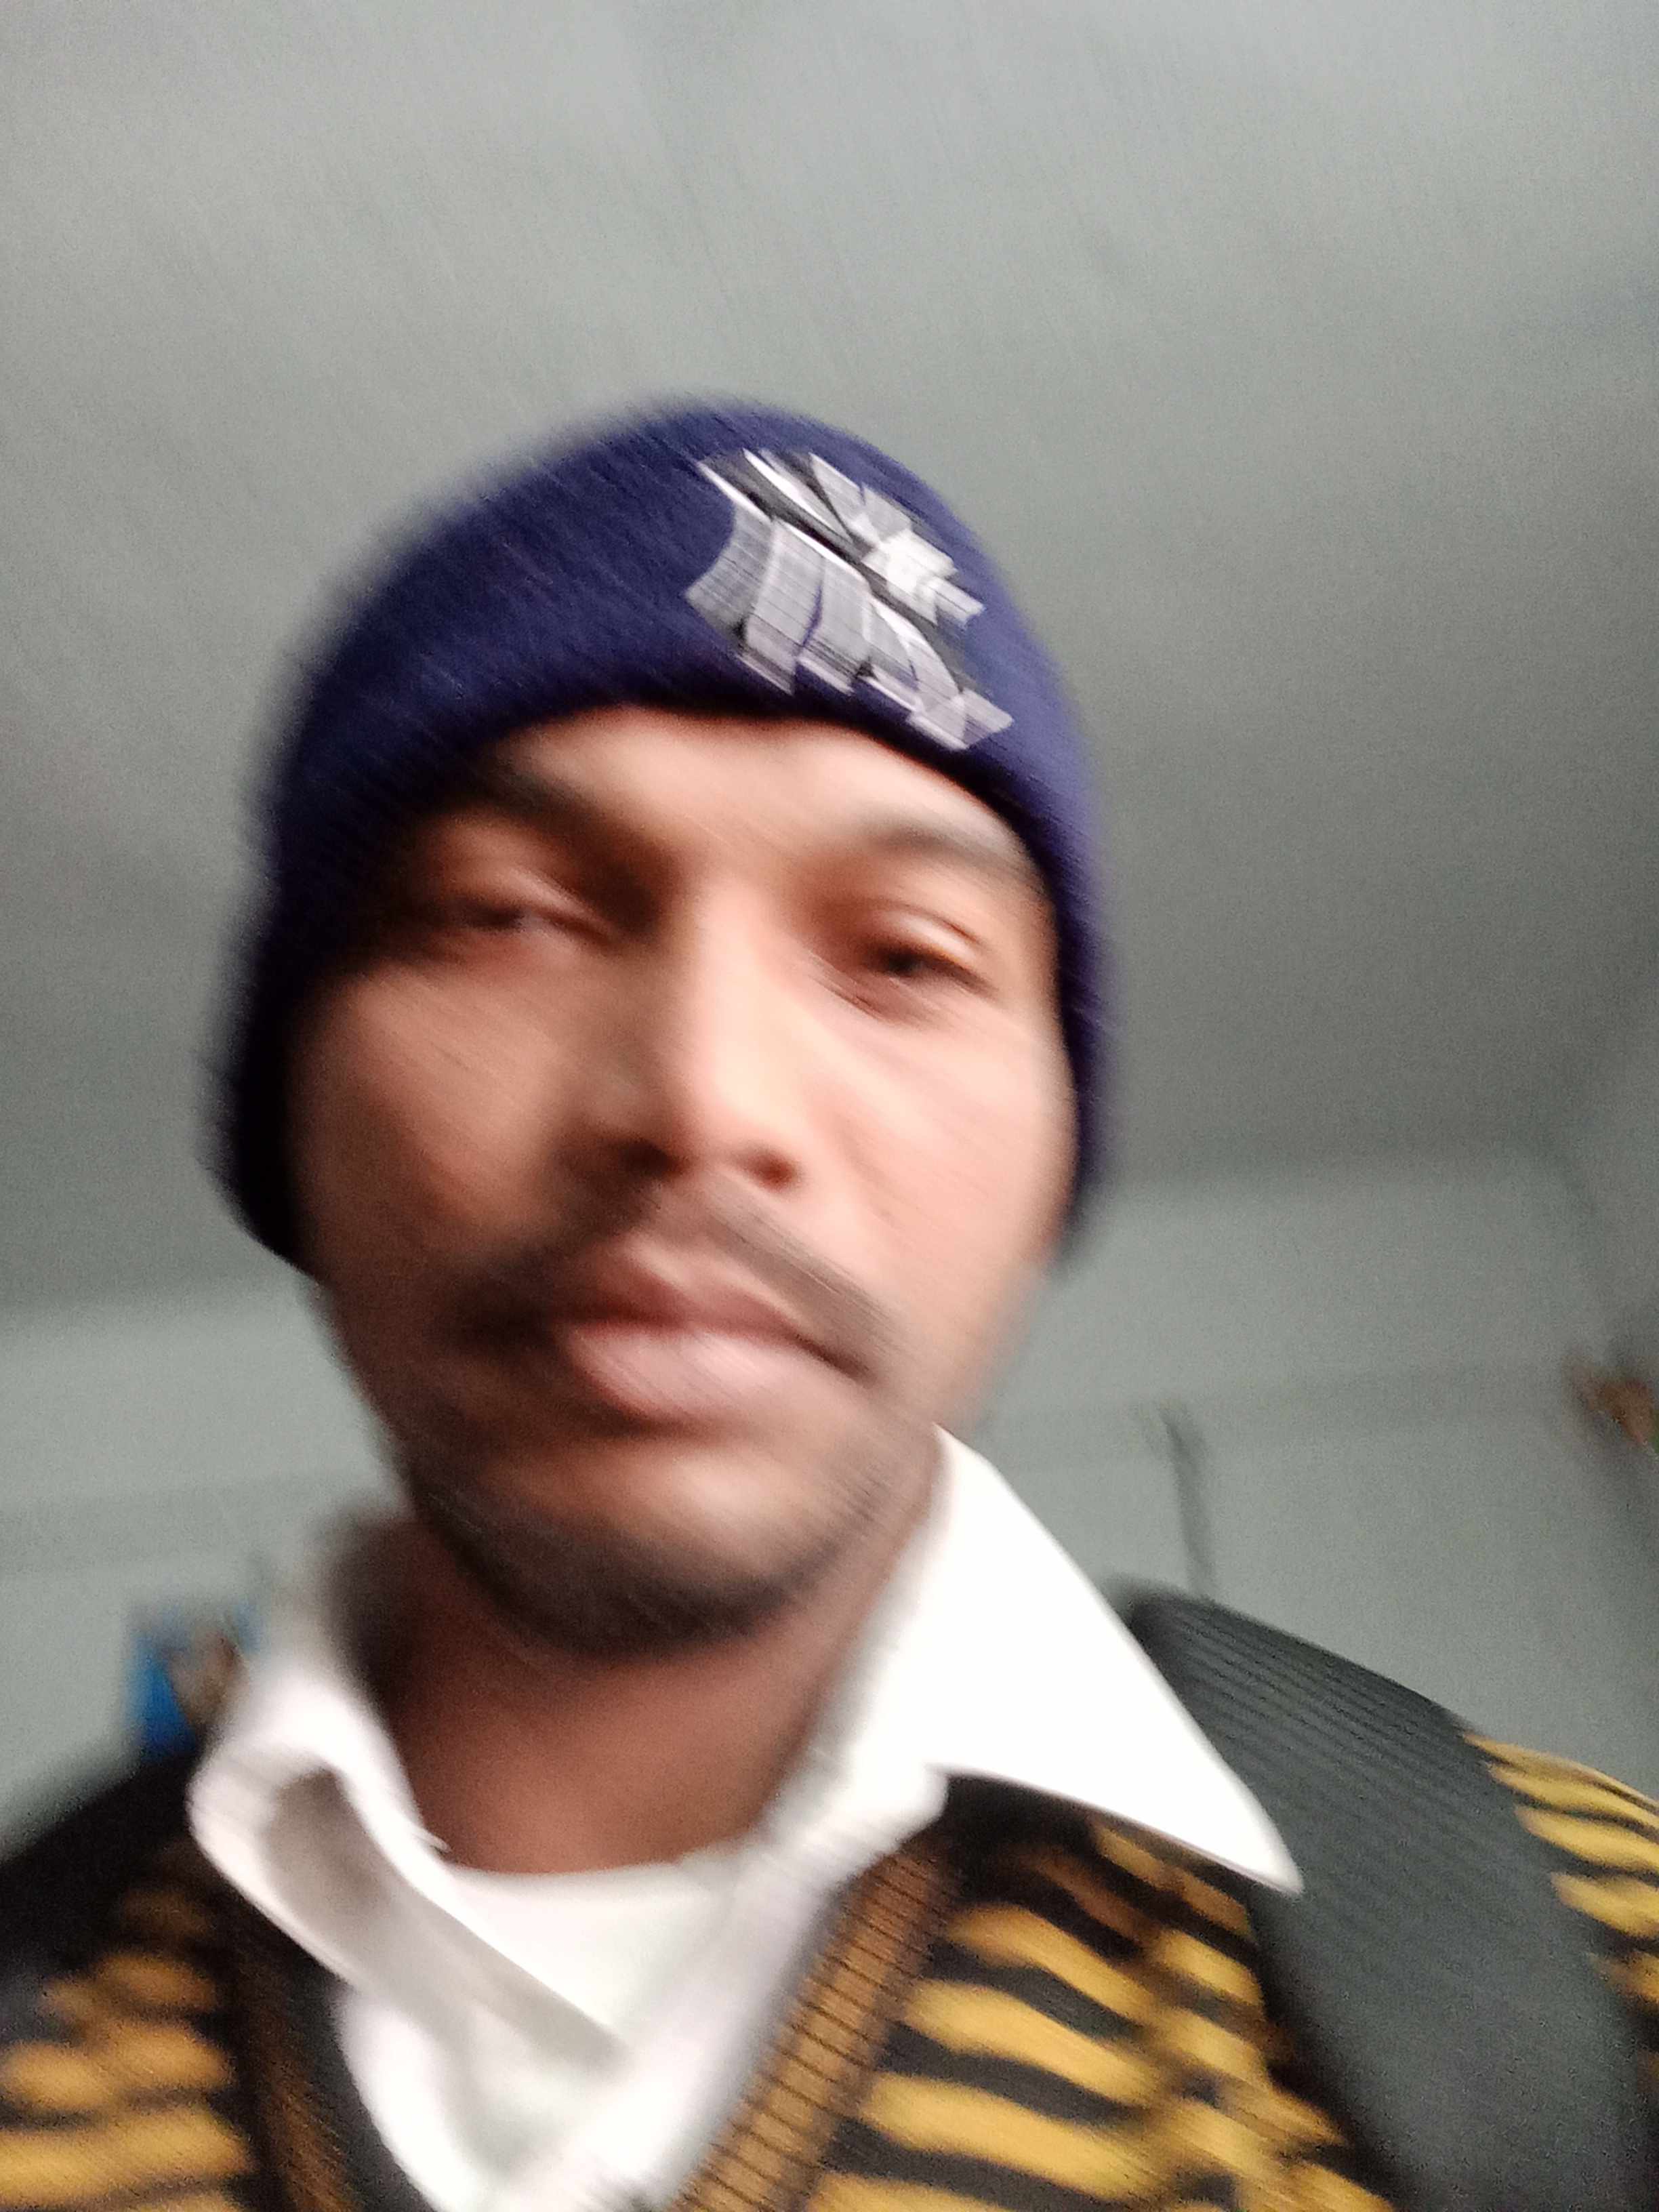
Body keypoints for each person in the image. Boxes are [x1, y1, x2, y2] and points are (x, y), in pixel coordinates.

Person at [2, 406, 1655, 2212]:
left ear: (1051, 1159)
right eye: (505, 916)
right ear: (290, 1114)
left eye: (906, 959)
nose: (709, 1103)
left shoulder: (1593, 1972)